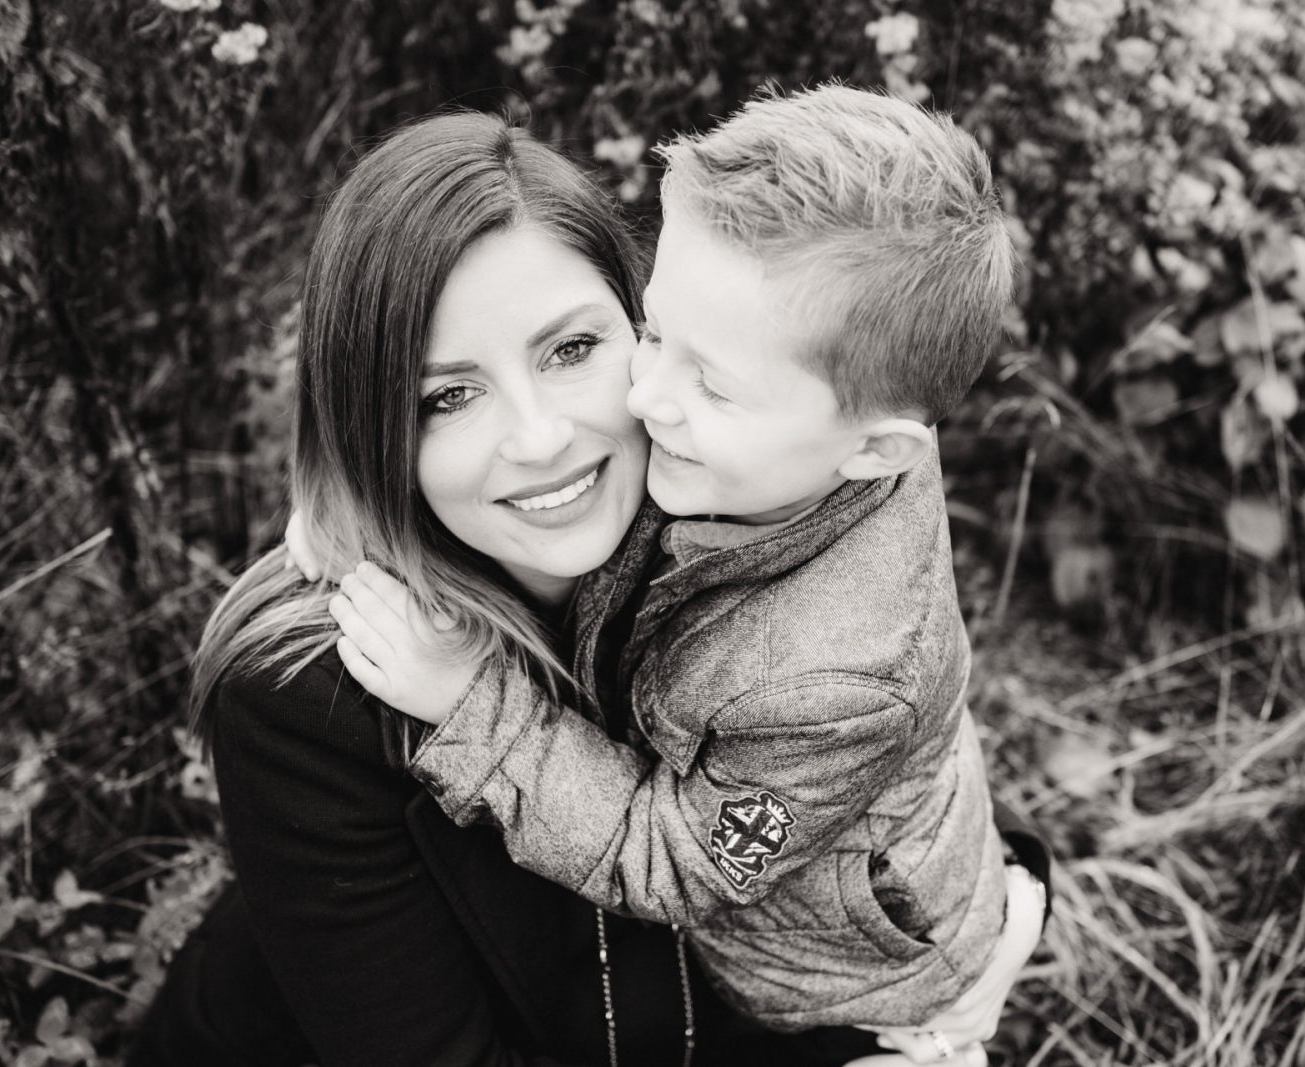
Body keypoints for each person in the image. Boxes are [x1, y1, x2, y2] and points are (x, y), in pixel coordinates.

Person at [134, 110, 1045, 1067]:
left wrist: (979, 920)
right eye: (445, 398)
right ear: (370, 427)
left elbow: (883, 737)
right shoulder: (315, 690)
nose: (539, 438)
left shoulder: (748, 492)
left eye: (572, 350)